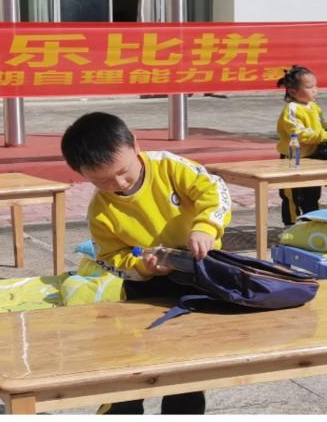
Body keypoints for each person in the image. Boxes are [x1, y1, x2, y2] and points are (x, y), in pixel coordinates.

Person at [60, 111, 232, 414]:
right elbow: (111, 258)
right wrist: (142, 267)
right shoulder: (101, 211)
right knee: (130, 362)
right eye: (102, 180)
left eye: (123, 171)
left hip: (197, 270)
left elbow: (215, 191)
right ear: (83, 175)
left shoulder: (170, 167)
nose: (118, 183)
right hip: (148, 285)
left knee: (186, 368)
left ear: (135, 144)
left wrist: (205, 227)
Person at [275, 65, 327, 226]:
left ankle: (312, 223)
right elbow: (298, 133)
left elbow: (323, 125)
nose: (315, 90)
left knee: (312, 193)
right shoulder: (291, 109)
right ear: (292, 92)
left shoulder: (314, 107)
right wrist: (325, 136)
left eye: (315, 86)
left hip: (313, 157)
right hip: (293, 157)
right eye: (309, 87)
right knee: (292, 194)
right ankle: (290, 225)